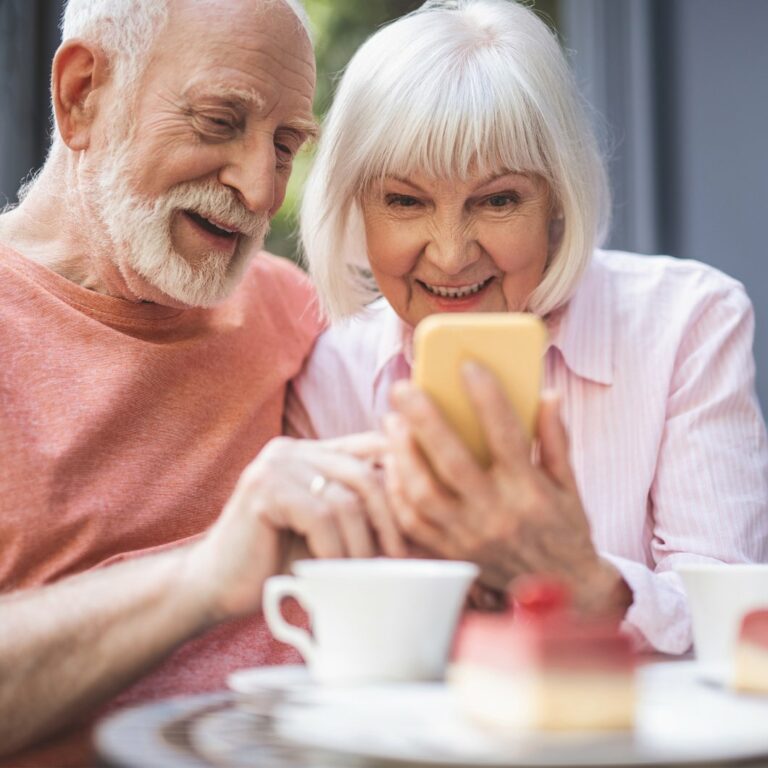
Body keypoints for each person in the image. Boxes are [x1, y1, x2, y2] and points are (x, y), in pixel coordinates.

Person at [288, 0, 768, 653]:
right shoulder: (332, 371)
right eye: (404, 201)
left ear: (556, 201)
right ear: (355, 208)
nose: (451, 253)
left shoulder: (687, 322)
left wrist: (580, 579)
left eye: (498, 199)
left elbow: (734, 628)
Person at [0, 0, 406, 764]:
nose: (261, 191)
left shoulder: (295, 313)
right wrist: (201, 577)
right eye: (220, 122)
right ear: (82, 93)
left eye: (287, 145)